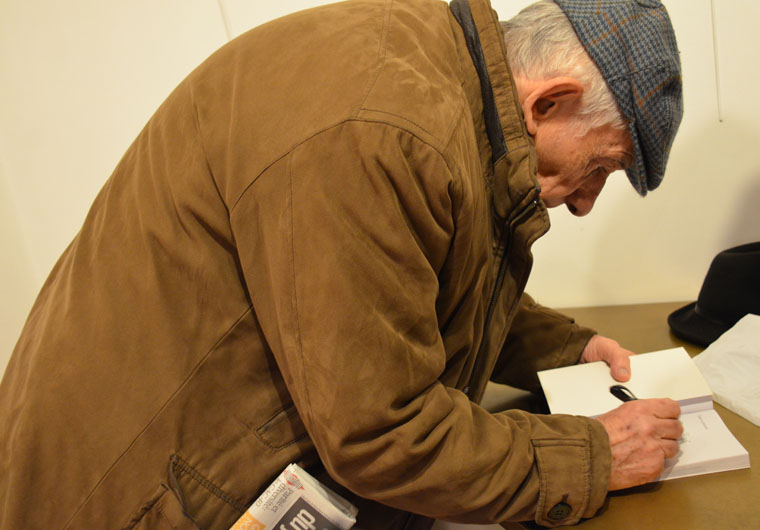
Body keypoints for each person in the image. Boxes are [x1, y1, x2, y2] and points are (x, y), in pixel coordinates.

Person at [0, 0, 683, 528]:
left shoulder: (438, 83)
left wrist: (567, 347)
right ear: (548, 103)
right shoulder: (383, 131)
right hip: (133, 496)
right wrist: (592, 457)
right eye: (600, 166)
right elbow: (381, 432)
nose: (588, 202)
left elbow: (409, 279)